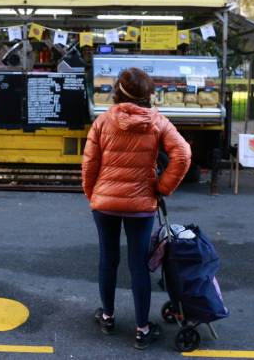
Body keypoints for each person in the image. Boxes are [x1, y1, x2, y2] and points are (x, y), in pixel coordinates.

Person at [82, 67, 191, 350]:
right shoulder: (158, 122)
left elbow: (89, 164)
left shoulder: (102, 122)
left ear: (117, 91)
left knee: (108, 259)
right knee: (139, 265)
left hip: (104, 204)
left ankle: (107, 317)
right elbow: (183, 154)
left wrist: (94, 195)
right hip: (141, 204)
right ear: (148, 94)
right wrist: (161, 187)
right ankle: (142, 329)